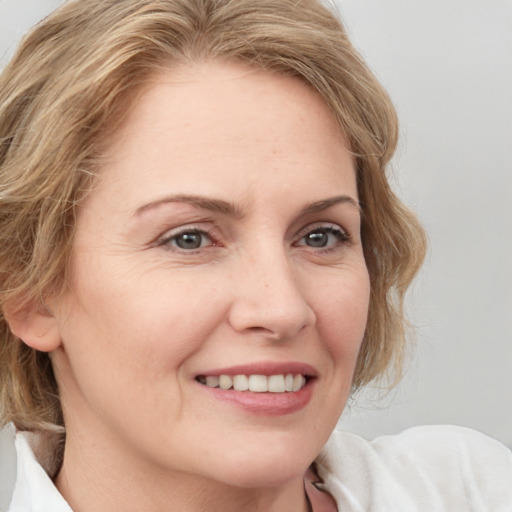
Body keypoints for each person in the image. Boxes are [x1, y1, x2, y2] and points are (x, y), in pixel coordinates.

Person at [0, 0, 510, 510]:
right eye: (190, 239)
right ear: (28, 291)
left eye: (320, 236)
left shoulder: (473, 491)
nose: (283, 309)